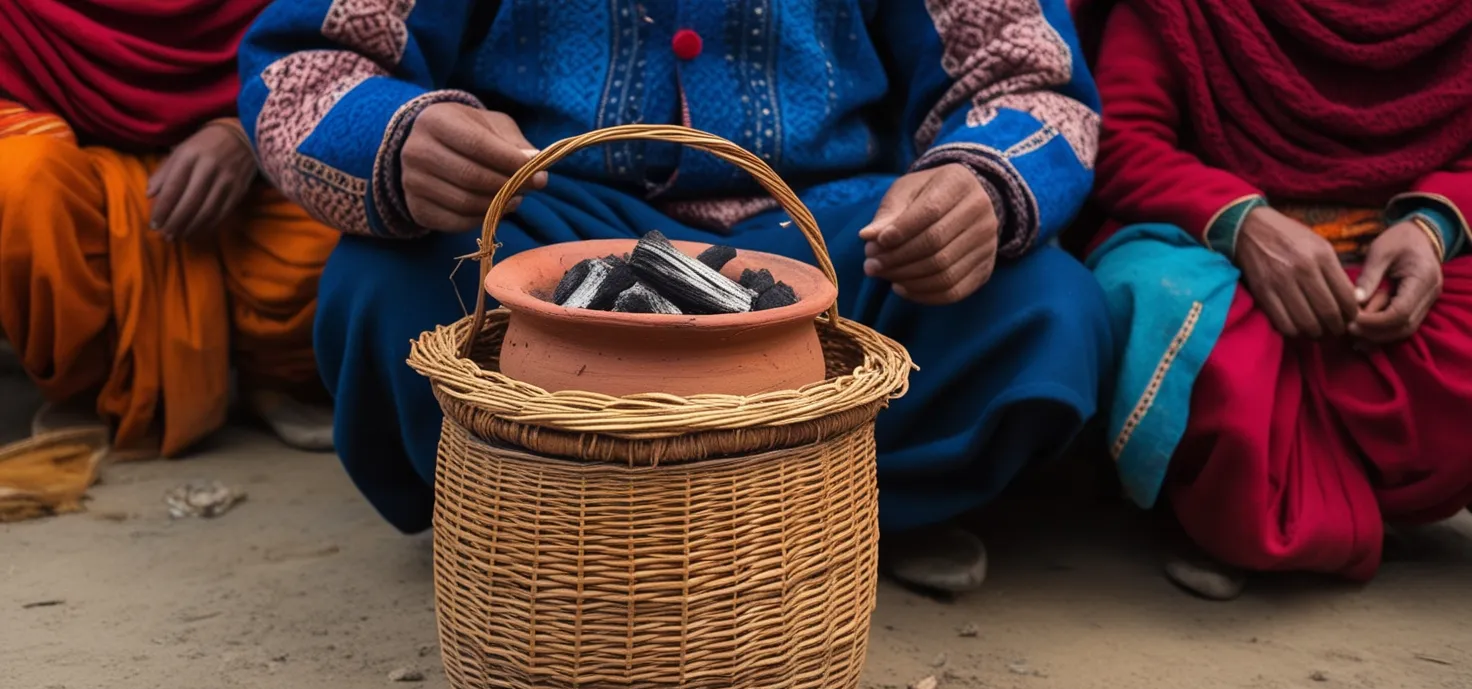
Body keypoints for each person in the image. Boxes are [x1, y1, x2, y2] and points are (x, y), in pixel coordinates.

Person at [238, 0, 1113, 594]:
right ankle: (531, 529)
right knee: (388, 289)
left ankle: (839, 522)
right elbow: (307, 66)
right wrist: (402, 138)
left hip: (828, 232)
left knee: (1042, 314)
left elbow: (1026, 83)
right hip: (551, 220)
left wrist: (977, 188)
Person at [1080, 0, 1472, 599]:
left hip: (1402, 256)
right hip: (1205, 244)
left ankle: (1268, 494)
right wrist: (1244, 224)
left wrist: (1431, 228)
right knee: (1177, 321)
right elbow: (1120, 141)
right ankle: (1231, 507)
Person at [0, 0, 339, 459]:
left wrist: (248, 132)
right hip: (66, 154)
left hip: (259, 141)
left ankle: (284, 376)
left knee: (351, 186)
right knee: (20, 183)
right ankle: (91, 386)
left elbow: (349, 52)